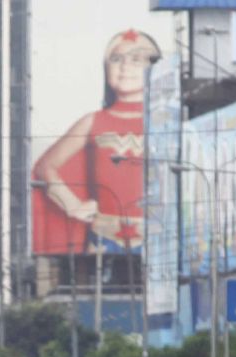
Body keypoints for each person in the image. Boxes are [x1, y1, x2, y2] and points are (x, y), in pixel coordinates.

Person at [30, 28, 162, 256]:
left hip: (160, 236)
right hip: (104, 235)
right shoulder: (93, 121)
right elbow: (46, 167)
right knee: (98, 291)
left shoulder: (168, 121)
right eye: (116, 59)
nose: (125, 67)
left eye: (137, 59)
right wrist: (72, 205)